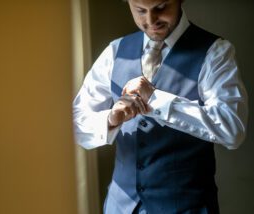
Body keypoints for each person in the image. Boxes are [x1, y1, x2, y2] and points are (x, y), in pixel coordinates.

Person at [73, 0, 248, 213]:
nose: (150, 20)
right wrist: (110, 119)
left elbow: (232, 130)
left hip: (187, 207)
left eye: (160, 7)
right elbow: (76, 124)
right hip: (120, 206)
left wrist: (156, 100)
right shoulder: (114, 51)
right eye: (140, 10)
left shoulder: (216, 52)